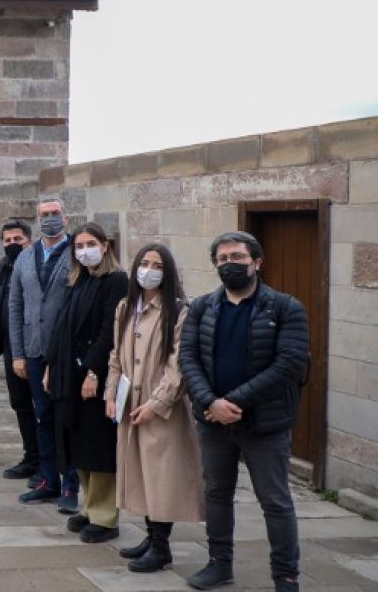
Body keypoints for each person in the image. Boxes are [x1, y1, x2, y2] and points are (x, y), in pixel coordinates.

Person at [179, 231, 309, 592]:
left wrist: (233, 402)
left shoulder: (285, 308)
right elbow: (187, 358)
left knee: (275, 501)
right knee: (217, 494)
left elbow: (289, 364)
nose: (229, 264)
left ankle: (286, 576)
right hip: (213, 422)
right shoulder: (202, 307)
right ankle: (219, 565)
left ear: (257, 262)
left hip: (265, 424)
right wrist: (210, 402)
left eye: (237, 257)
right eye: (222, 259)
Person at [104, 243, 203, 573]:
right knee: (141, 475)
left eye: (157, 266)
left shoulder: (178, 310)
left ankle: (161, 546)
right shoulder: (125, 307)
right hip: (130, 402)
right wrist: (110, 394)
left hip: (161, 406)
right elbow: (116, 355)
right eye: (144, 263)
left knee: (162, 477)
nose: (149, 270)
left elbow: (179, 366)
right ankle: (151, 536)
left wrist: (157, 403)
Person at [45, 222, 127, 544]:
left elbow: (110, 331)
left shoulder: (115, 281)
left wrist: (93, 371)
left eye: (90, 244)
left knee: (98, 445)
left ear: (104, 246)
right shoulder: (78, 279)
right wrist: (51, 365)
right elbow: (61, 326)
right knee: (77, 443)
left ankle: (105, 517)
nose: (84, 251)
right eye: (79, 246)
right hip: (69, 374)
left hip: (95, 374)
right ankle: (90, 507)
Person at [10, 197, 77, 509]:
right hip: (34, 349)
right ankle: (48, 480)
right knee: (43, 415)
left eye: (55, 213)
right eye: (44, 214)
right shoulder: (25, 257)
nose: (50, 218)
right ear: (37, 220)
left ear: (66, 218)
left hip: (66, 352)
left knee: (68, 418)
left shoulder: (77, 253)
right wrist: (18, 353)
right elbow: (15, 305)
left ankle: (71, 485)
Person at [0, 220, 39, 483]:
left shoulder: (35, 265)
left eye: (17, 239)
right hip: (12, 346)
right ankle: (31, 457)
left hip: (32, 346)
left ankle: (46, 462)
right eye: (7, 240)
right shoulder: (4, 266)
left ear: (28, 241)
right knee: (20, 404)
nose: (12, 244)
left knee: (40, 406)